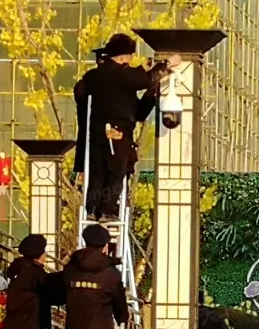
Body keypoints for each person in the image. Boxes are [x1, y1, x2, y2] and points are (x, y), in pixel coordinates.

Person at [73, 33, 182, 220]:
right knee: (116, 171)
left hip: (95, 134)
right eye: (130, 57)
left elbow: (138, 110)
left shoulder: (93, 77)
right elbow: (144, 79)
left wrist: (150, 89)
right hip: (117, 132)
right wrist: (166, 64)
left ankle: (92, 209)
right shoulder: (118, 74)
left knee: (98, 172)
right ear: (123, 56)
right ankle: (107, 210)